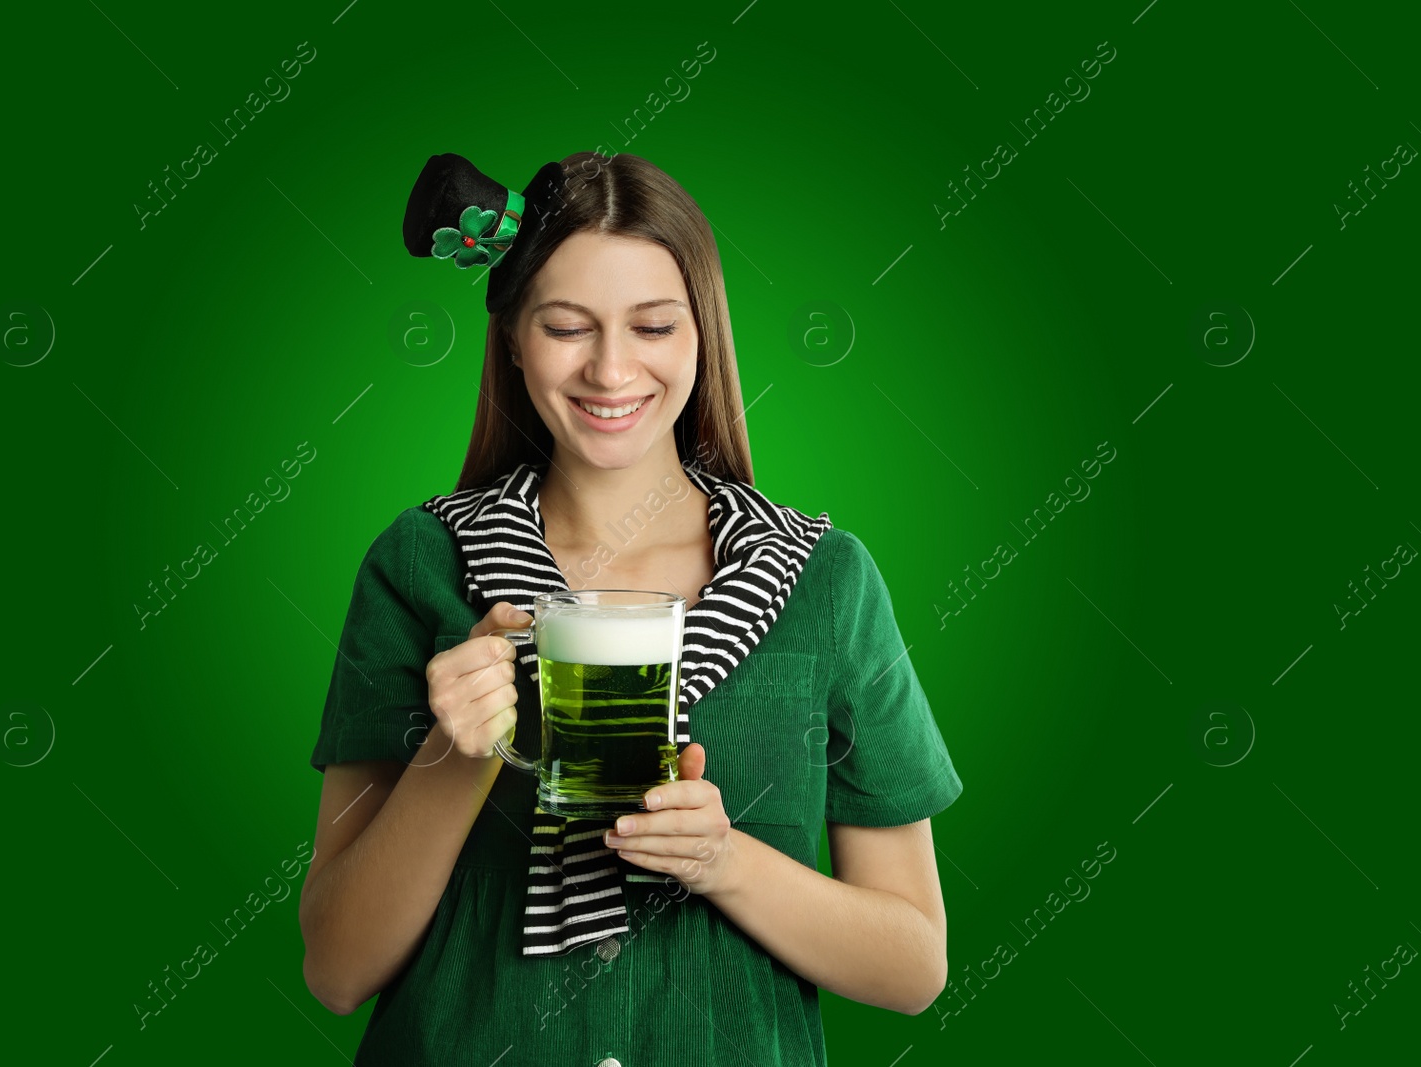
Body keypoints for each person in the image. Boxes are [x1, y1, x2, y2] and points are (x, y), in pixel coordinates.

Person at [299, 150, 963, 1065]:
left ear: (703, 337)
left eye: (653, 326)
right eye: (567, 326)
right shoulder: (421, 565)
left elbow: (914, 966)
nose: (611, 370)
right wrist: (457, 754)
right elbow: (336, 969)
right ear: (514, 340)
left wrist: (724, 862)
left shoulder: (825, 580)